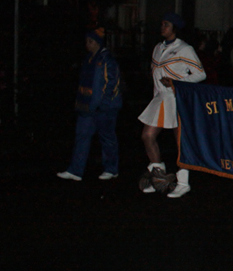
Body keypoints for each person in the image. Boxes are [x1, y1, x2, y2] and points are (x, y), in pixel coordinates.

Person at [138, 13, 206, 198]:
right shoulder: (158, 48)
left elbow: (200, 74)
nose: (162, 27)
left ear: (174, 28)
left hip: (177, 100)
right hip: (161, 98)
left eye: (166, 24)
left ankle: (183, 183)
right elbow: (155, 78)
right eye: (161, 24)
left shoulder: (185, 48)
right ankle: (158, 177)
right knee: (147, 136)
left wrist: (178, 83)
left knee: (180, 143)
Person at [57, 28, 122, 181]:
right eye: (87, 41)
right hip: (88, 107)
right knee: (82, 136)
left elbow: (112, 84)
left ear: (97, 43)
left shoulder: (107, 60)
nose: (87, 44)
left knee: (107, 138)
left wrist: (104, 104)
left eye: (90, 41)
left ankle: (111, 169)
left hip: (103, 108)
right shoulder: (89, 59)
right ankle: (75, 170)